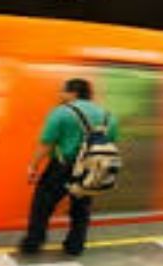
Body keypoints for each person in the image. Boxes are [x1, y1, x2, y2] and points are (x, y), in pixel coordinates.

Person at [20, 78, 119, 256]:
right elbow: (111, 142)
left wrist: (33, 166)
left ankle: (33, 243)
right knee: (81, 208)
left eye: (62, 91)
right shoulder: (108, 115)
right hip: (91, 168)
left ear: (73, 93)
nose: (60, 95)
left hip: (62, 167)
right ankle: (75, 246)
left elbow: (46, 143)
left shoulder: (62, 112)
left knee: (41, 206)